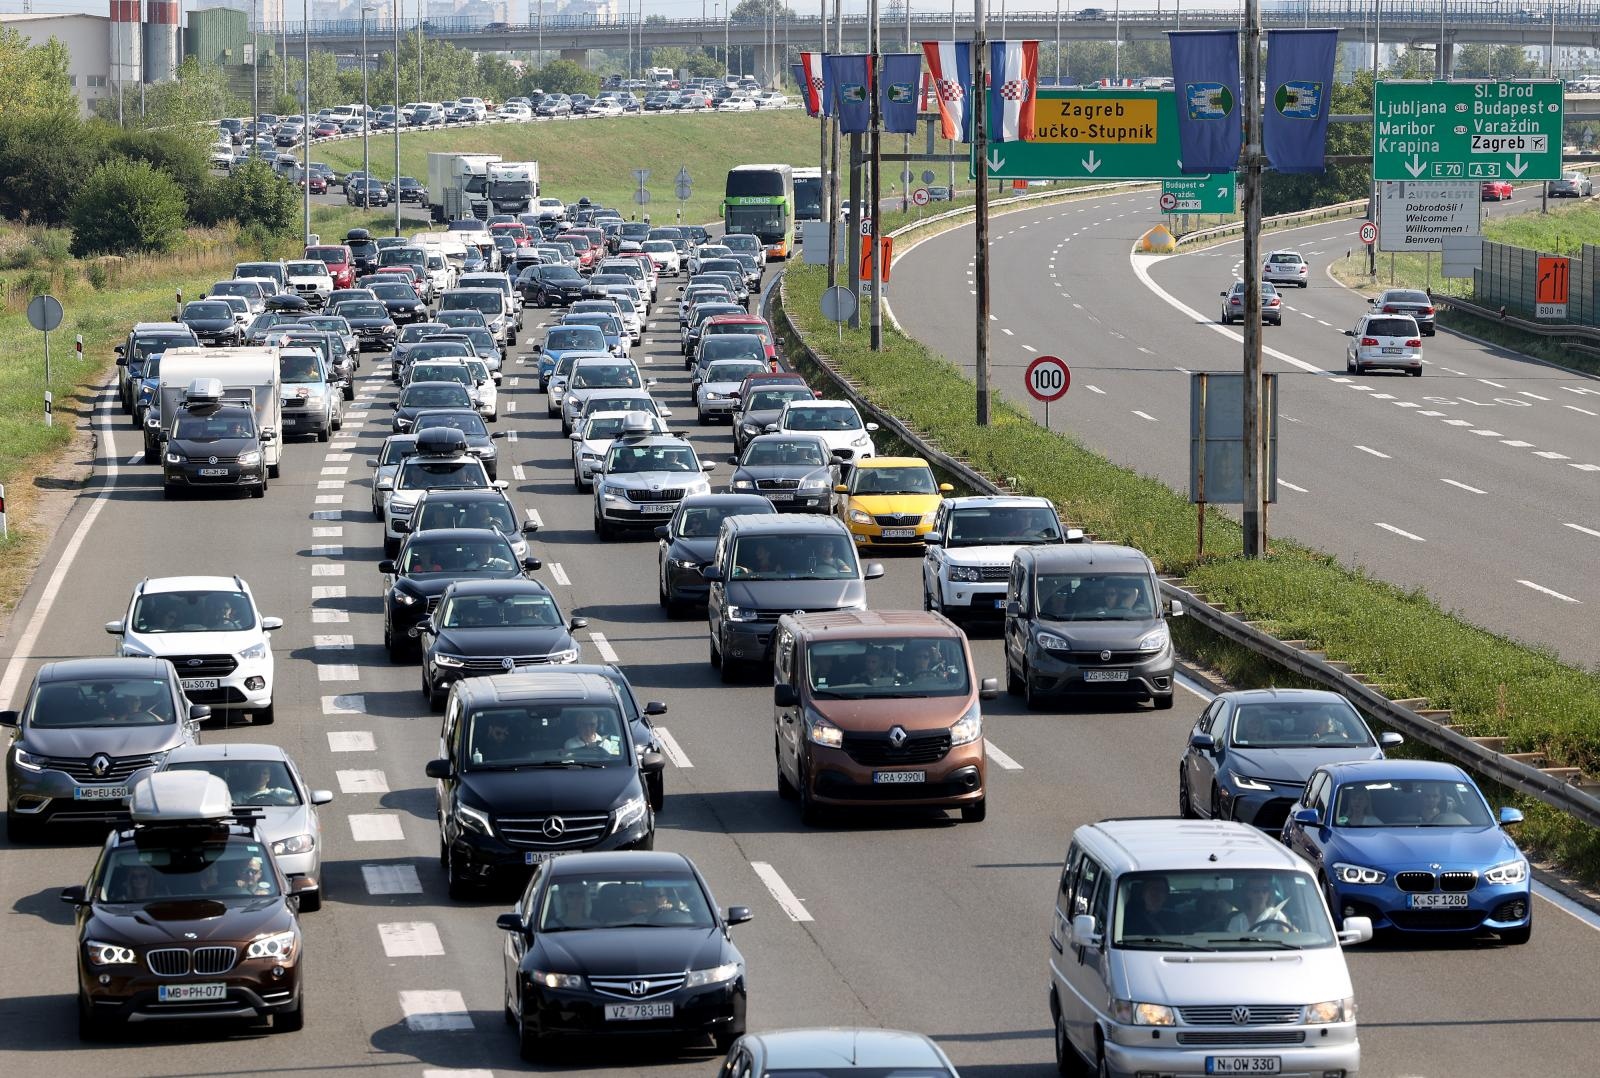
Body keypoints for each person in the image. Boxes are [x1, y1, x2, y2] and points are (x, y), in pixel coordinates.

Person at [1226, 878, 1295, 934]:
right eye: (1256, 891)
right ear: (1248, 894)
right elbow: (1229, 946)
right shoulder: (1237, 920)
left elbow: (1287, 940)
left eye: (1265, 890)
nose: (1260, 894)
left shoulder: (1277, 916)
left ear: (1269, 893)